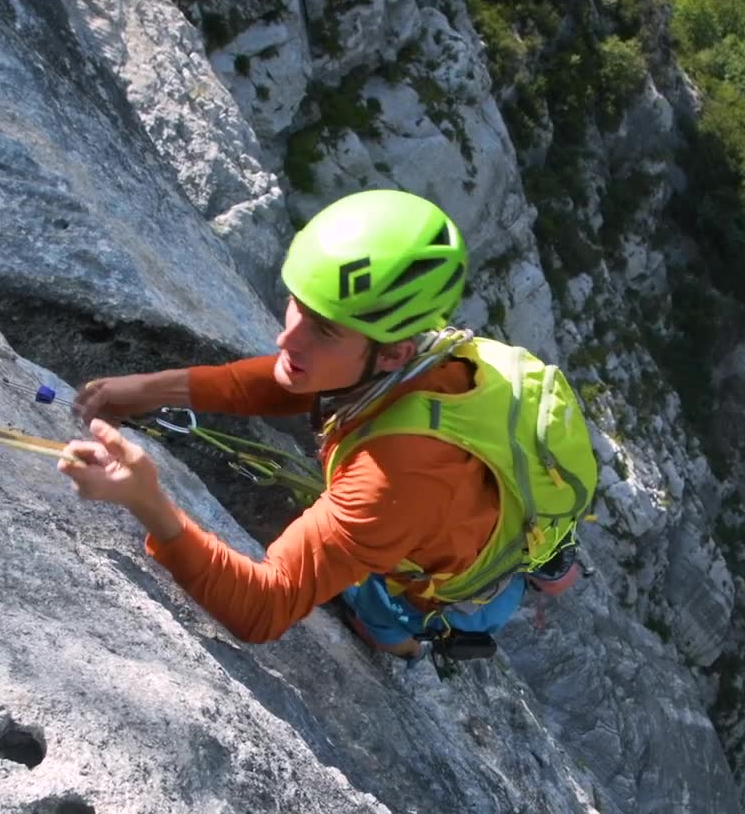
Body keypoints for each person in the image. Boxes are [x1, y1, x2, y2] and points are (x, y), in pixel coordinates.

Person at [57, 189, 523, 658]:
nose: (286, 337)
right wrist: (148, 389)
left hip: (461, 581)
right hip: (464, 507)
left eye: (324, 330)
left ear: (393, 355)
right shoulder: (414, 358)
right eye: (296, 302)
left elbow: (265, 607)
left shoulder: (391, 479)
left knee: (374, 616)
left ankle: (414, 647)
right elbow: (288, 382)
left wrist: (147, 501)